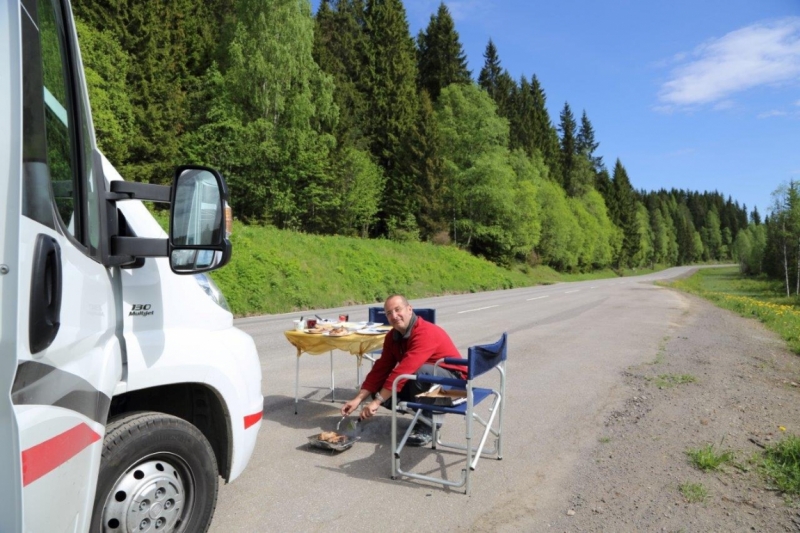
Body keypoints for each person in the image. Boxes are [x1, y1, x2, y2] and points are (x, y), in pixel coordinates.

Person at [341, 294, 463, 446]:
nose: (394, 316)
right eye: (389, 313)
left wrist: (377, 401)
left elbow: (405, 369)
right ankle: (421, 413)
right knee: (379, 386)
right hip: (427, 380)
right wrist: (358, 399)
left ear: (409, 309)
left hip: (455, 387)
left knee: (418, 372)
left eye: (398, 310)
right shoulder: (393, 336)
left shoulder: (425, 332)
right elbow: (381, 368)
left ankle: (428, 423)